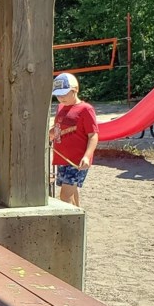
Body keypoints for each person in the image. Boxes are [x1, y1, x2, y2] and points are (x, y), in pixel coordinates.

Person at [49, 72, 98, 206]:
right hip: (63, 159)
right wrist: (51, 132)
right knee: (71, 189)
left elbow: (93, 135)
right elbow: (58, 126)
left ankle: (66, 226)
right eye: (58, 95)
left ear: (75, 90)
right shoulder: (60, 107)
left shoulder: (85, 109)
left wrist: (87, 156)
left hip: (77, 161)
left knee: (65, 196)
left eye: (64, 93)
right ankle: (78, 216)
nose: (61, 97)